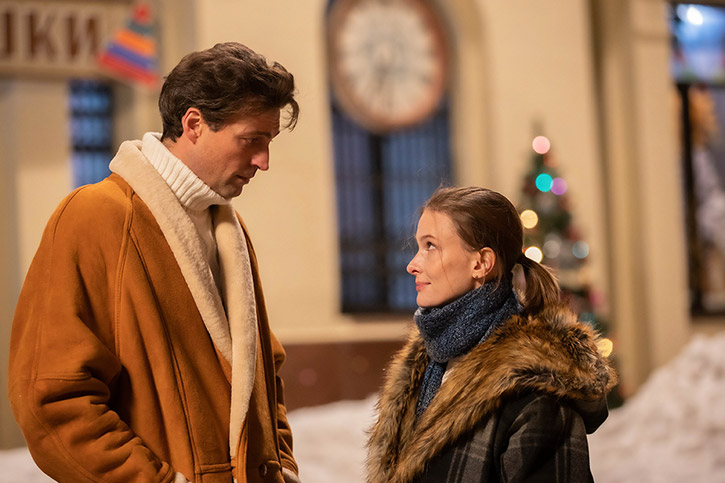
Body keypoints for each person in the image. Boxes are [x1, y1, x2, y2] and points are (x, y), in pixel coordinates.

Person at [9, 42, 302, 483]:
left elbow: (262, 375)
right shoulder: (96, 217)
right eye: (251, 140)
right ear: (193, 124)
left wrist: (281, 465)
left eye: (269, 142)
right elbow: (53, 398)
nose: (263, 161)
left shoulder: (228, 228)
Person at [366, 186, 617, 483]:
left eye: (430, 246)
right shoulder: (424, 367)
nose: (412, 265)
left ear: (481, 263)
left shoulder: (535, 395)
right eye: (418, 247)